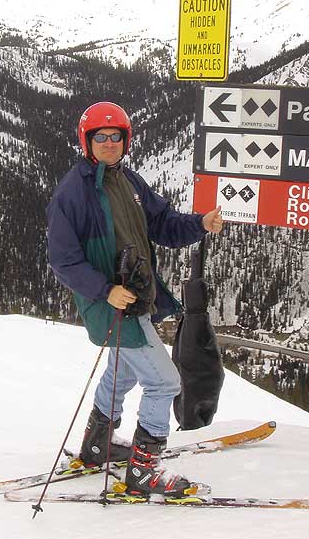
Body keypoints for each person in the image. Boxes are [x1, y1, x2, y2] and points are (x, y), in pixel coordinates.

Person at [46, 101, 223, 497]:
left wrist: (200, 223)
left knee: (121, 373)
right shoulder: (73, 193)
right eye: (101, 137)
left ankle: (97, 445)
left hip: (136, 297)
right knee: (164, 382)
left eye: (116, 137)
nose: (109, 143)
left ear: (125, 141)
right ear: (86, 141)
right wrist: (105, 289)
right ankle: (144, 471)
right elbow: (62, 258)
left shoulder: (129, 181)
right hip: (112, 303)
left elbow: (161, 223)